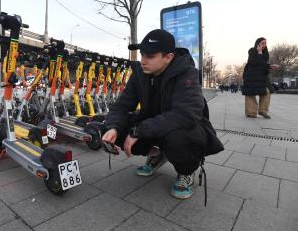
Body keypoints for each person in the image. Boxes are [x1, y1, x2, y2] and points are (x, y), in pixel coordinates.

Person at [102, 29, 223, 200]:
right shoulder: (139, 73)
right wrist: (113, 128)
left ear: (168, 57)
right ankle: (157, 154)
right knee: (110, 128)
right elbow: (121, 106)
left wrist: (138, 131)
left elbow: (186, 114)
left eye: (150, 56)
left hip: (181, 128)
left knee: (178, 138)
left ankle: (186, 172)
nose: (143, 61)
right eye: (142, 54)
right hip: (152, 124)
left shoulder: (187, 73)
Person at [241, 37, 279, 119]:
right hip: (251, 76)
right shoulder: (252, 51)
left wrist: (270, 66)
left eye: (265, 43)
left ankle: (263, 111)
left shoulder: (265, 53)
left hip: (262, 77)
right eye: (262, 43)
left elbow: (263, 64)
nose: (264, 45)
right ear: (257, 43)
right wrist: (259, 52)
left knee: (267, 91)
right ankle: (251, 113)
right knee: (250, 94)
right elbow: (254, 62)